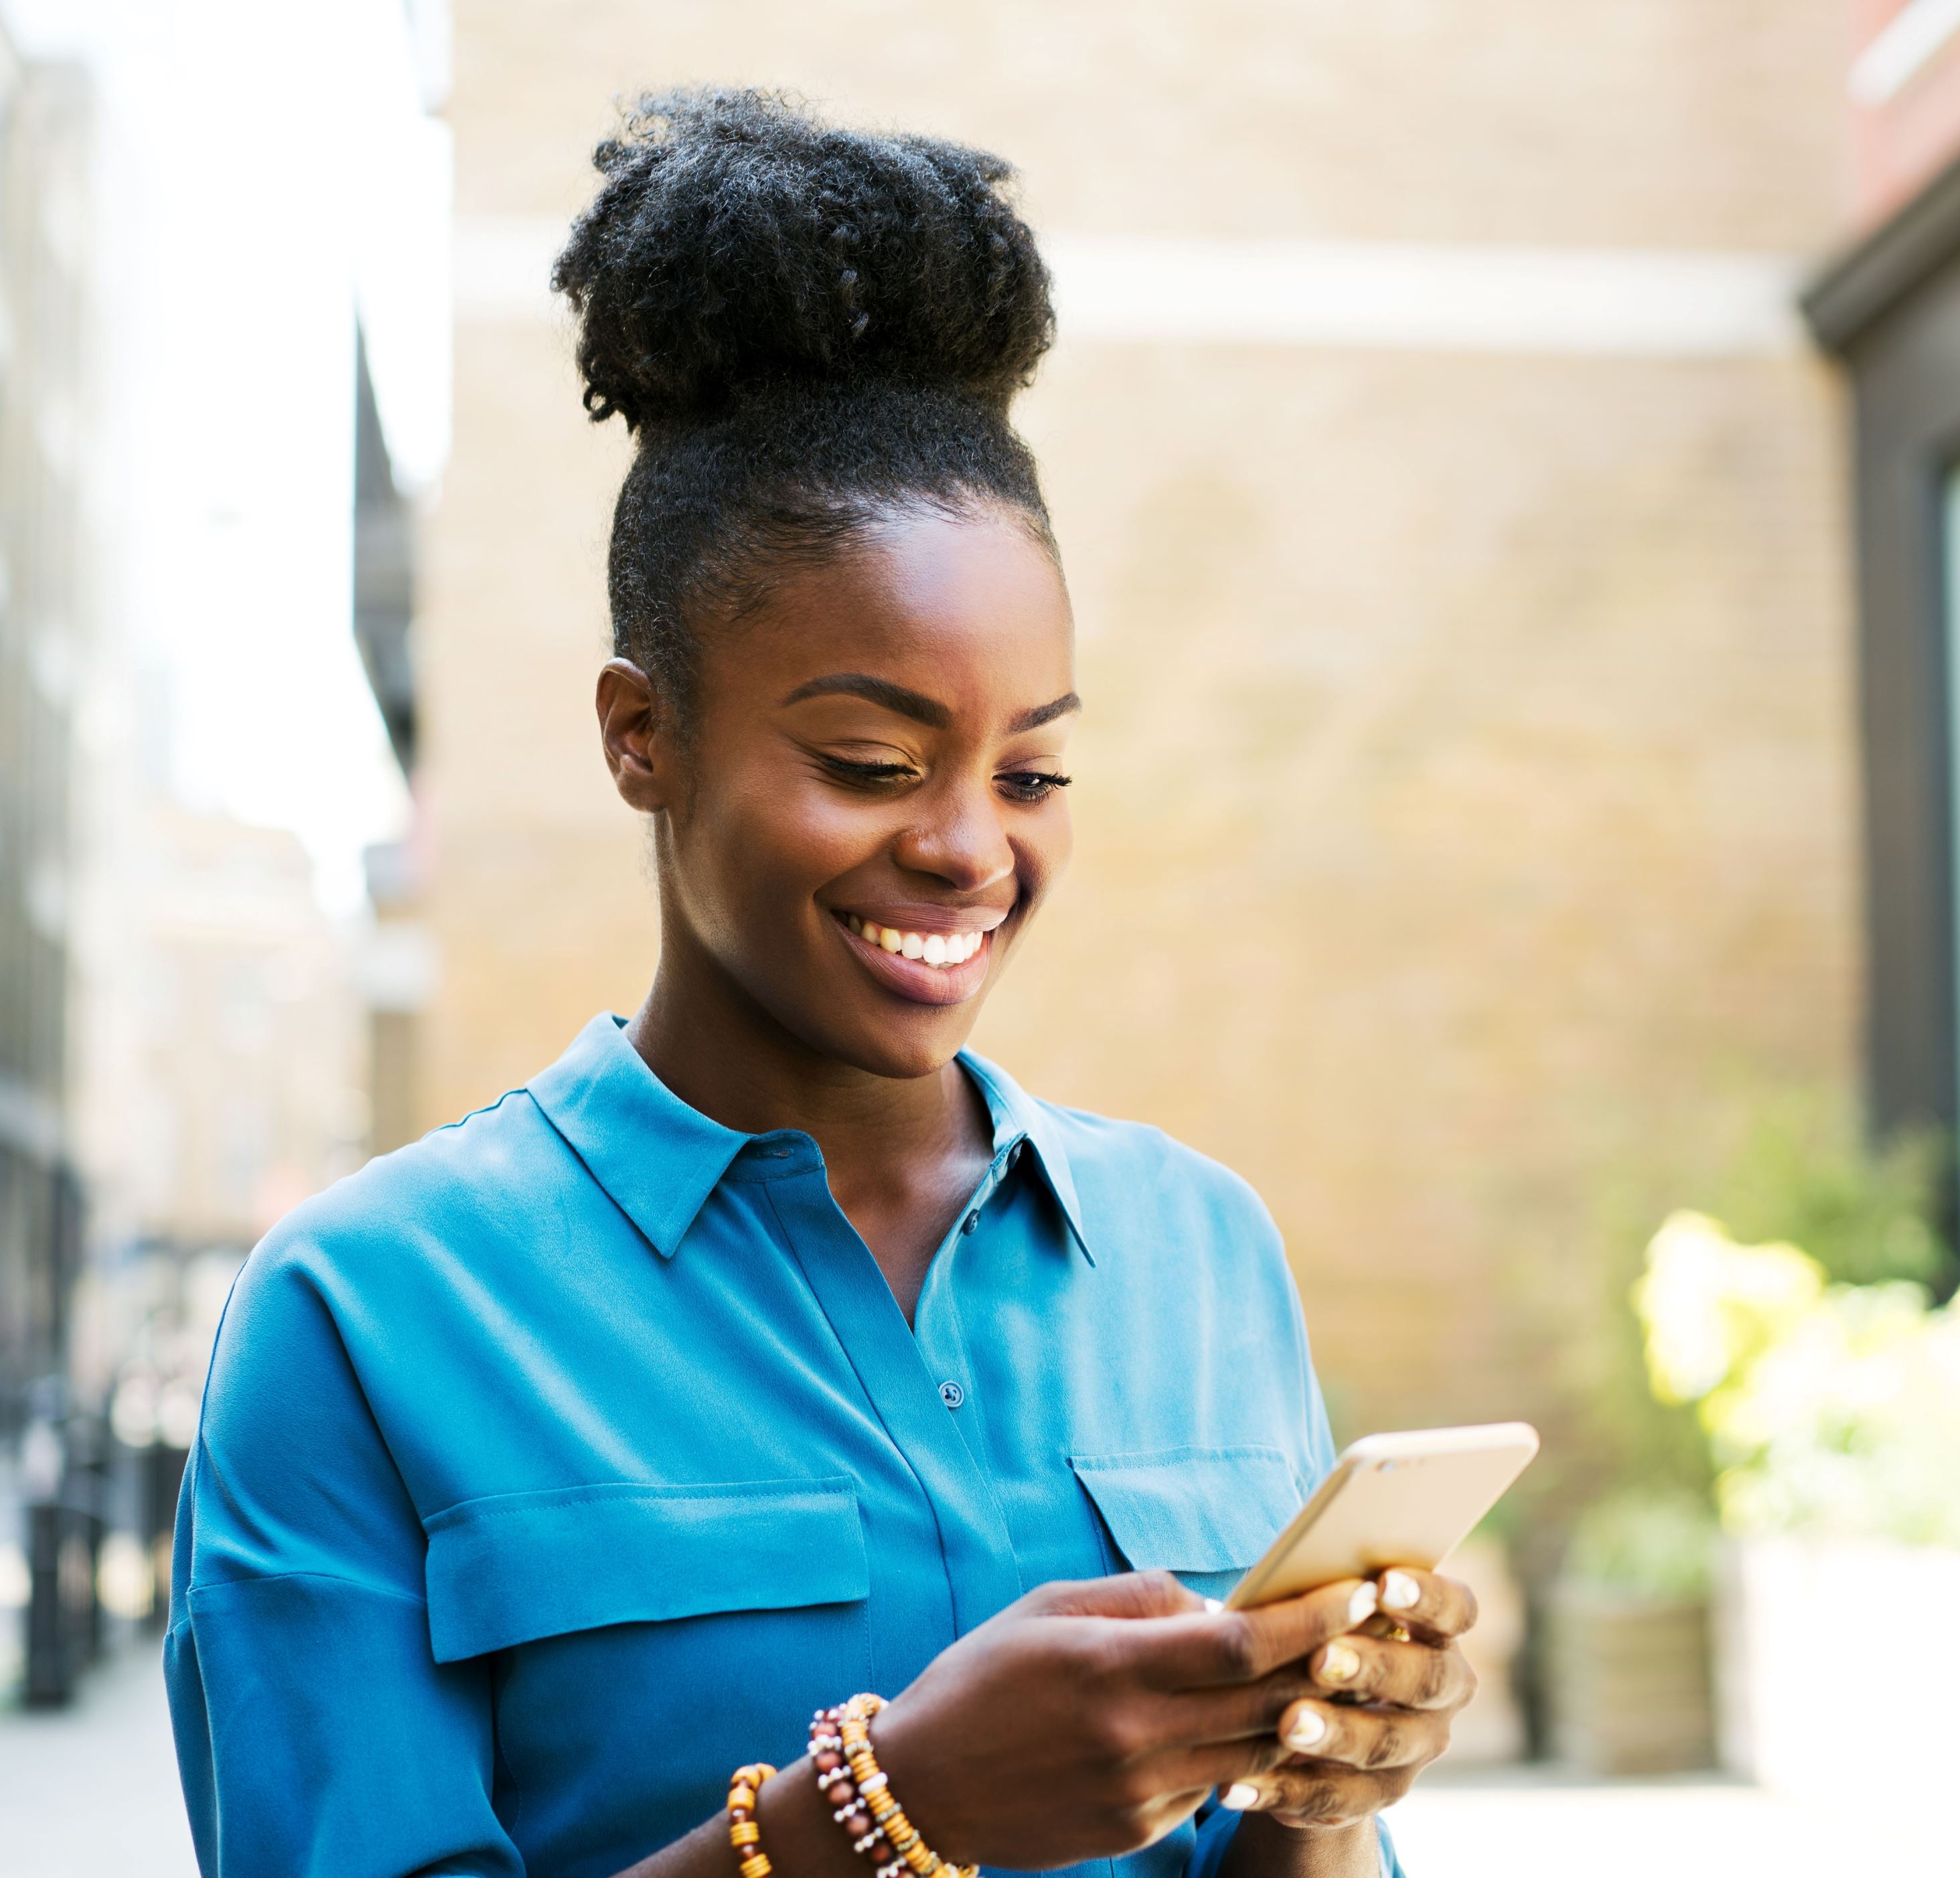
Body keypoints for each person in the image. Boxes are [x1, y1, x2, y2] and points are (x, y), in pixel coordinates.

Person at [164, 88, 1476, 1878]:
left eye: (1032, 773)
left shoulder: (1200, 1252)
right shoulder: (372, 1315)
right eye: (870, 761)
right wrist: (880, 1817)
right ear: (646, 737)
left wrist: (1322, 1791)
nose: (969, 849)